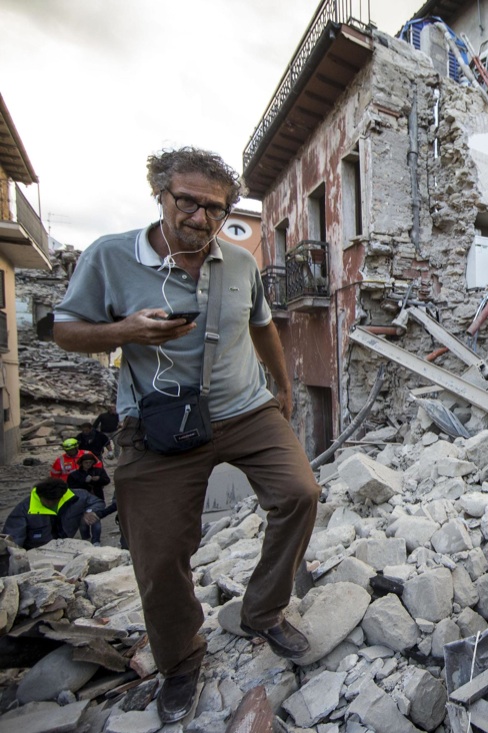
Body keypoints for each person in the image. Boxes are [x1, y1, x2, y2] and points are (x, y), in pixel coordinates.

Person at [52, 147, 320, 724]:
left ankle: (264, 612)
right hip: (158, 420)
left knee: (300, 493)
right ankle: (180, 659)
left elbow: (262, 324)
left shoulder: (241, 264)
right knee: (158, 553)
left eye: (215, 209)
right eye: (188, 202)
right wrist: (125, 330)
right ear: (161, 195)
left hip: (245, 410)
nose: (200, 218)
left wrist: (282, 385)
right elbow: (65, 331)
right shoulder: (110, 257)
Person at [2, 479, 105, 550]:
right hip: (36, 550)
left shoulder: (77, 497)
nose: (50, 504)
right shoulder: (24, 509)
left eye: (54, 500)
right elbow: (12, 540)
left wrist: (89, 512)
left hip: (65, 546)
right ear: (40, 495)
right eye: (47, 500)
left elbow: (98, 502)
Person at [67, 453, 114, 546]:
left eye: (90, 462)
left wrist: (98, 479)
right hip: (81, 501)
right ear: (81, 463)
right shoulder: (74, 475)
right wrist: (84, 482)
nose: (88, 464)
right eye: (86, 462)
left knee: (95, 518)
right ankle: (86, 539)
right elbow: (71, 488)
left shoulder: (99, 471)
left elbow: (107, 480)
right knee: (82, 521)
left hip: (97, 499)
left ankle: (96, 541)